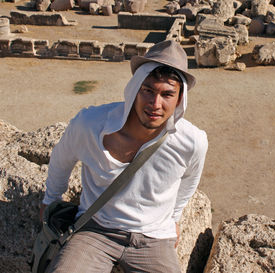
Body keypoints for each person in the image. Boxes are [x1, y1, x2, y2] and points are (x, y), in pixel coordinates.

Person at [41, 40, 208, 273]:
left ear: (180, 99)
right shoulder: (90, 125)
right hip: (95, 230)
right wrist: (50, 201)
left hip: (154, 238)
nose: (155, 104)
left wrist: (174, 218)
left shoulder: (192, 141)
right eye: (148, 90)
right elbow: (61, 159)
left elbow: (189, 180)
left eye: (167, 94)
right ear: (134, 88)